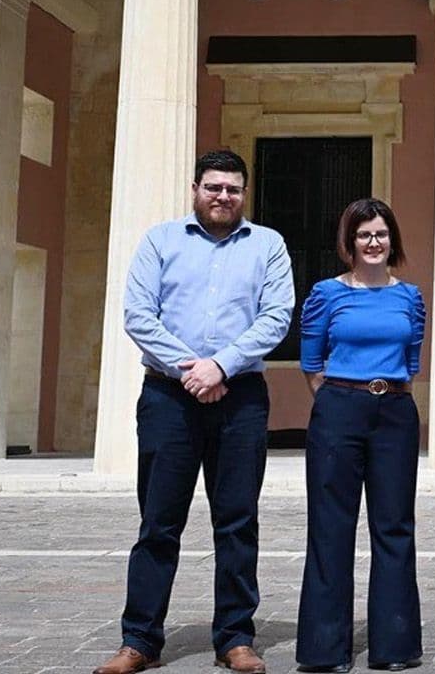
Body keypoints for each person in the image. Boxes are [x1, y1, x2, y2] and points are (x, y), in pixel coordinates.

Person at [95, 149, 294, 674]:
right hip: (167, 397)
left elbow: (276, 319)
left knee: (237, 522)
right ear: (195, 189)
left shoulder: (268, 246)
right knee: (159, 523)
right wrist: (193, 369)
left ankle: (235, 638)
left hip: (241, 399)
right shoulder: (160, 240)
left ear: (243, 194)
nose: (223, 196)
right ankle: (138, 640)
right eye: (213, 187)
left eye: (232, 188)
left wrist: (221, 367)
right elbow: (139, 315)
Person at [296, 198, 427, 674]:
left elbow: (411, 362)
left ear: (393, 240)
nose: (374, 242)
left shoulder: (410, 296)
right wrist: (339, 403)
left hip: (393, 410)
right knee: (331, 527)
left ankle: (393, 646)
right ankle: (323, 649)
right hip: (339, 409)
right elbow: (312, 362)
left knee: (394, 527)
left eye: (382, 234)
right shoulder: (326, 293)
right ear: (349, 242)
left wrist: (383, 397)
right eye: (364, 235)